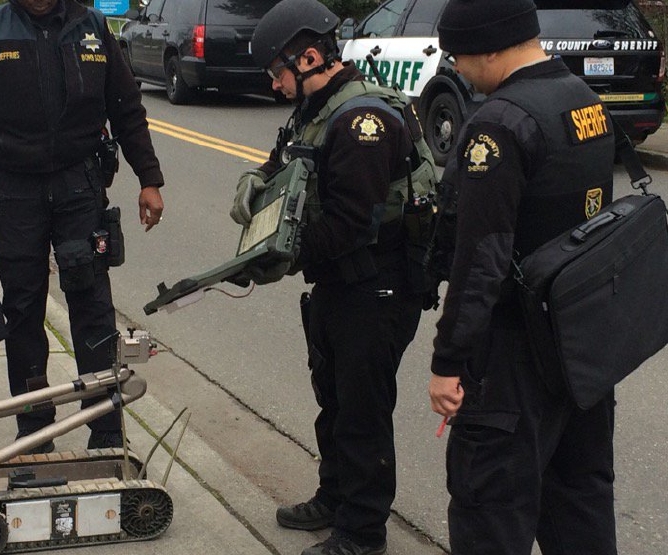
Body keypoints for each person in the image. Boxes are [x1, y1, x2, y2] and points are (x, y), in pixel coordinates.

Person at [236, 0, 433, 553]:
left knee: (363, 412)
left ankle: (362, 531)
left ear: (311, 57)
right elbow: (284, 163)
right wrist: (256, 182)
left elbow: (351, 222)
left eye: (278, 73)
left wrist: (275, 254)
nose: (275, 86)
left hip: (378, 284)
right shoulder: (317, 109)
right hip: (339, 283)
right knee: (335, 399)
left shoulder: (361, 121)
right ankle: (334, 496)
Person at [426, 1, 618, 554]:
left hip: (512, 356)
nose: (457, 69)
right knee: (579, 502)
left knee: (490, 512)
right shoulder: (583, 101)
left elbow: (481, 259)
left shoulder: (498, 125)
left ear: (491, 46)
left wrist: (448, 362)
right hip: (582, 347)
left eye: (459, 55)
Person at [0, 0, 165, 453]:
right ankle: (34, 431)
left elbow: (126, 110)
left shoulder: (93, 27)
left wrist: (149, 178)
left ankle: (105, 431)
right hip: (14, 190)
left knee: (92, 304)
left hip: (79, 187)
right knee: (22, 310)